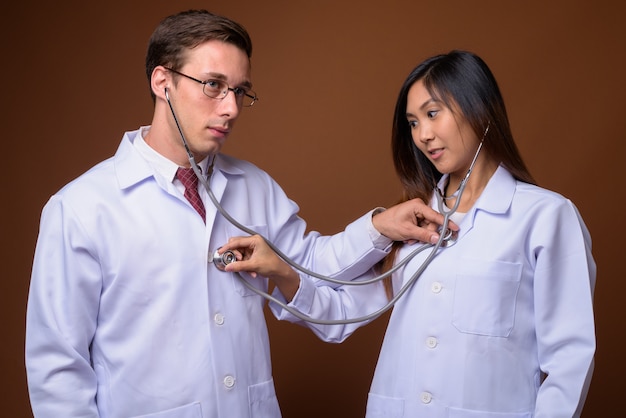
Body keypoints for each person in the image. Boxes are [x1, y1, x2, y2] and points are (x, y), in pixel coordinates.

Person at [24, 9, 453, 418]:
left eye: (239, 90)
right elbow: (59, 369)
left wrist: (378, 227)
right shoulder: (81, 209)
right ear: (162, 81)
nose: (230, 108)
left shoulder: (252, 186)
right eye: (213, 85)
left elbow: (312, 268)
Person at [221, 50, 597, 417]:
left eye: (433, 114)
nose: (423, 135)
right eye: (413, 122)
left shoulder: (545, 217)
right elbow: (340, 315)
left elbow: (569, 359)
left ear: (479, 110)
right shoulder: (414, 221)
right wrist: (282, 272)